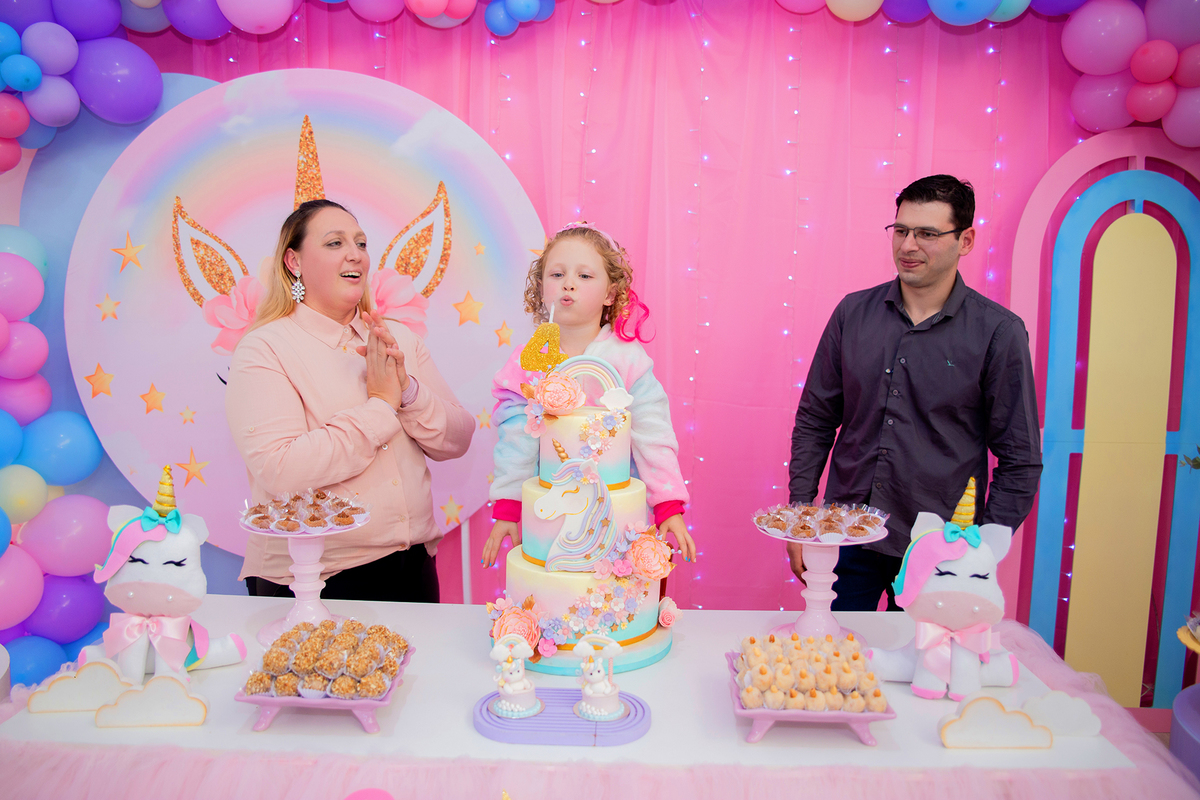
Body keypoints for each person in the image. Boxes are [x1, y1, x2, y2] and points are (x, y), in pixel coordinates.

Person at [787, 175, 1042, 610]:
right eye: (901, 230)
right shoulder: (853, 313)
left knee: (927, 670)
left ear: (965, 240)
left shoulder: (999, 332)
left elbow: (1020, 458)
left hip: (941, 547)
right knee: (840, 665)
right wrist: (800, 515)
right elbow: (816, 418)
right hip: (847, 532)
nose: (908, 246)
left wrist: (981, 546)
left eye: (927, 233)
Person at [226, 199, 474, 602]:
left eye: (360, 242)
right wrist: (381, 407)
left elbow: (458, 439)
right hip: (315, 581)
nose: (355, 253)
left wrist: (407, 392)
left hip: (412, 568)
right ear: (294, 261)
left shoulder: (398, 339)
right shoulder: (265, 348)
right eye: (334, 243)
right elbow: (281, 468)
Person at [481, 222, 697, 567]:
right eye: (557, 274)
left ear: (611, 294)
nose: (568, 283)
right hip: (550, 516)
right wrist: (508, 505)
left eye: (584, 276)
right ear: (540, 288)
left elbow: (652, 433)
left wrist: (667, 504)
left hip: (616, 522)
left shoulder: (628, 361)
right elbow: (515, 439)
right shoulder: (529, 362)